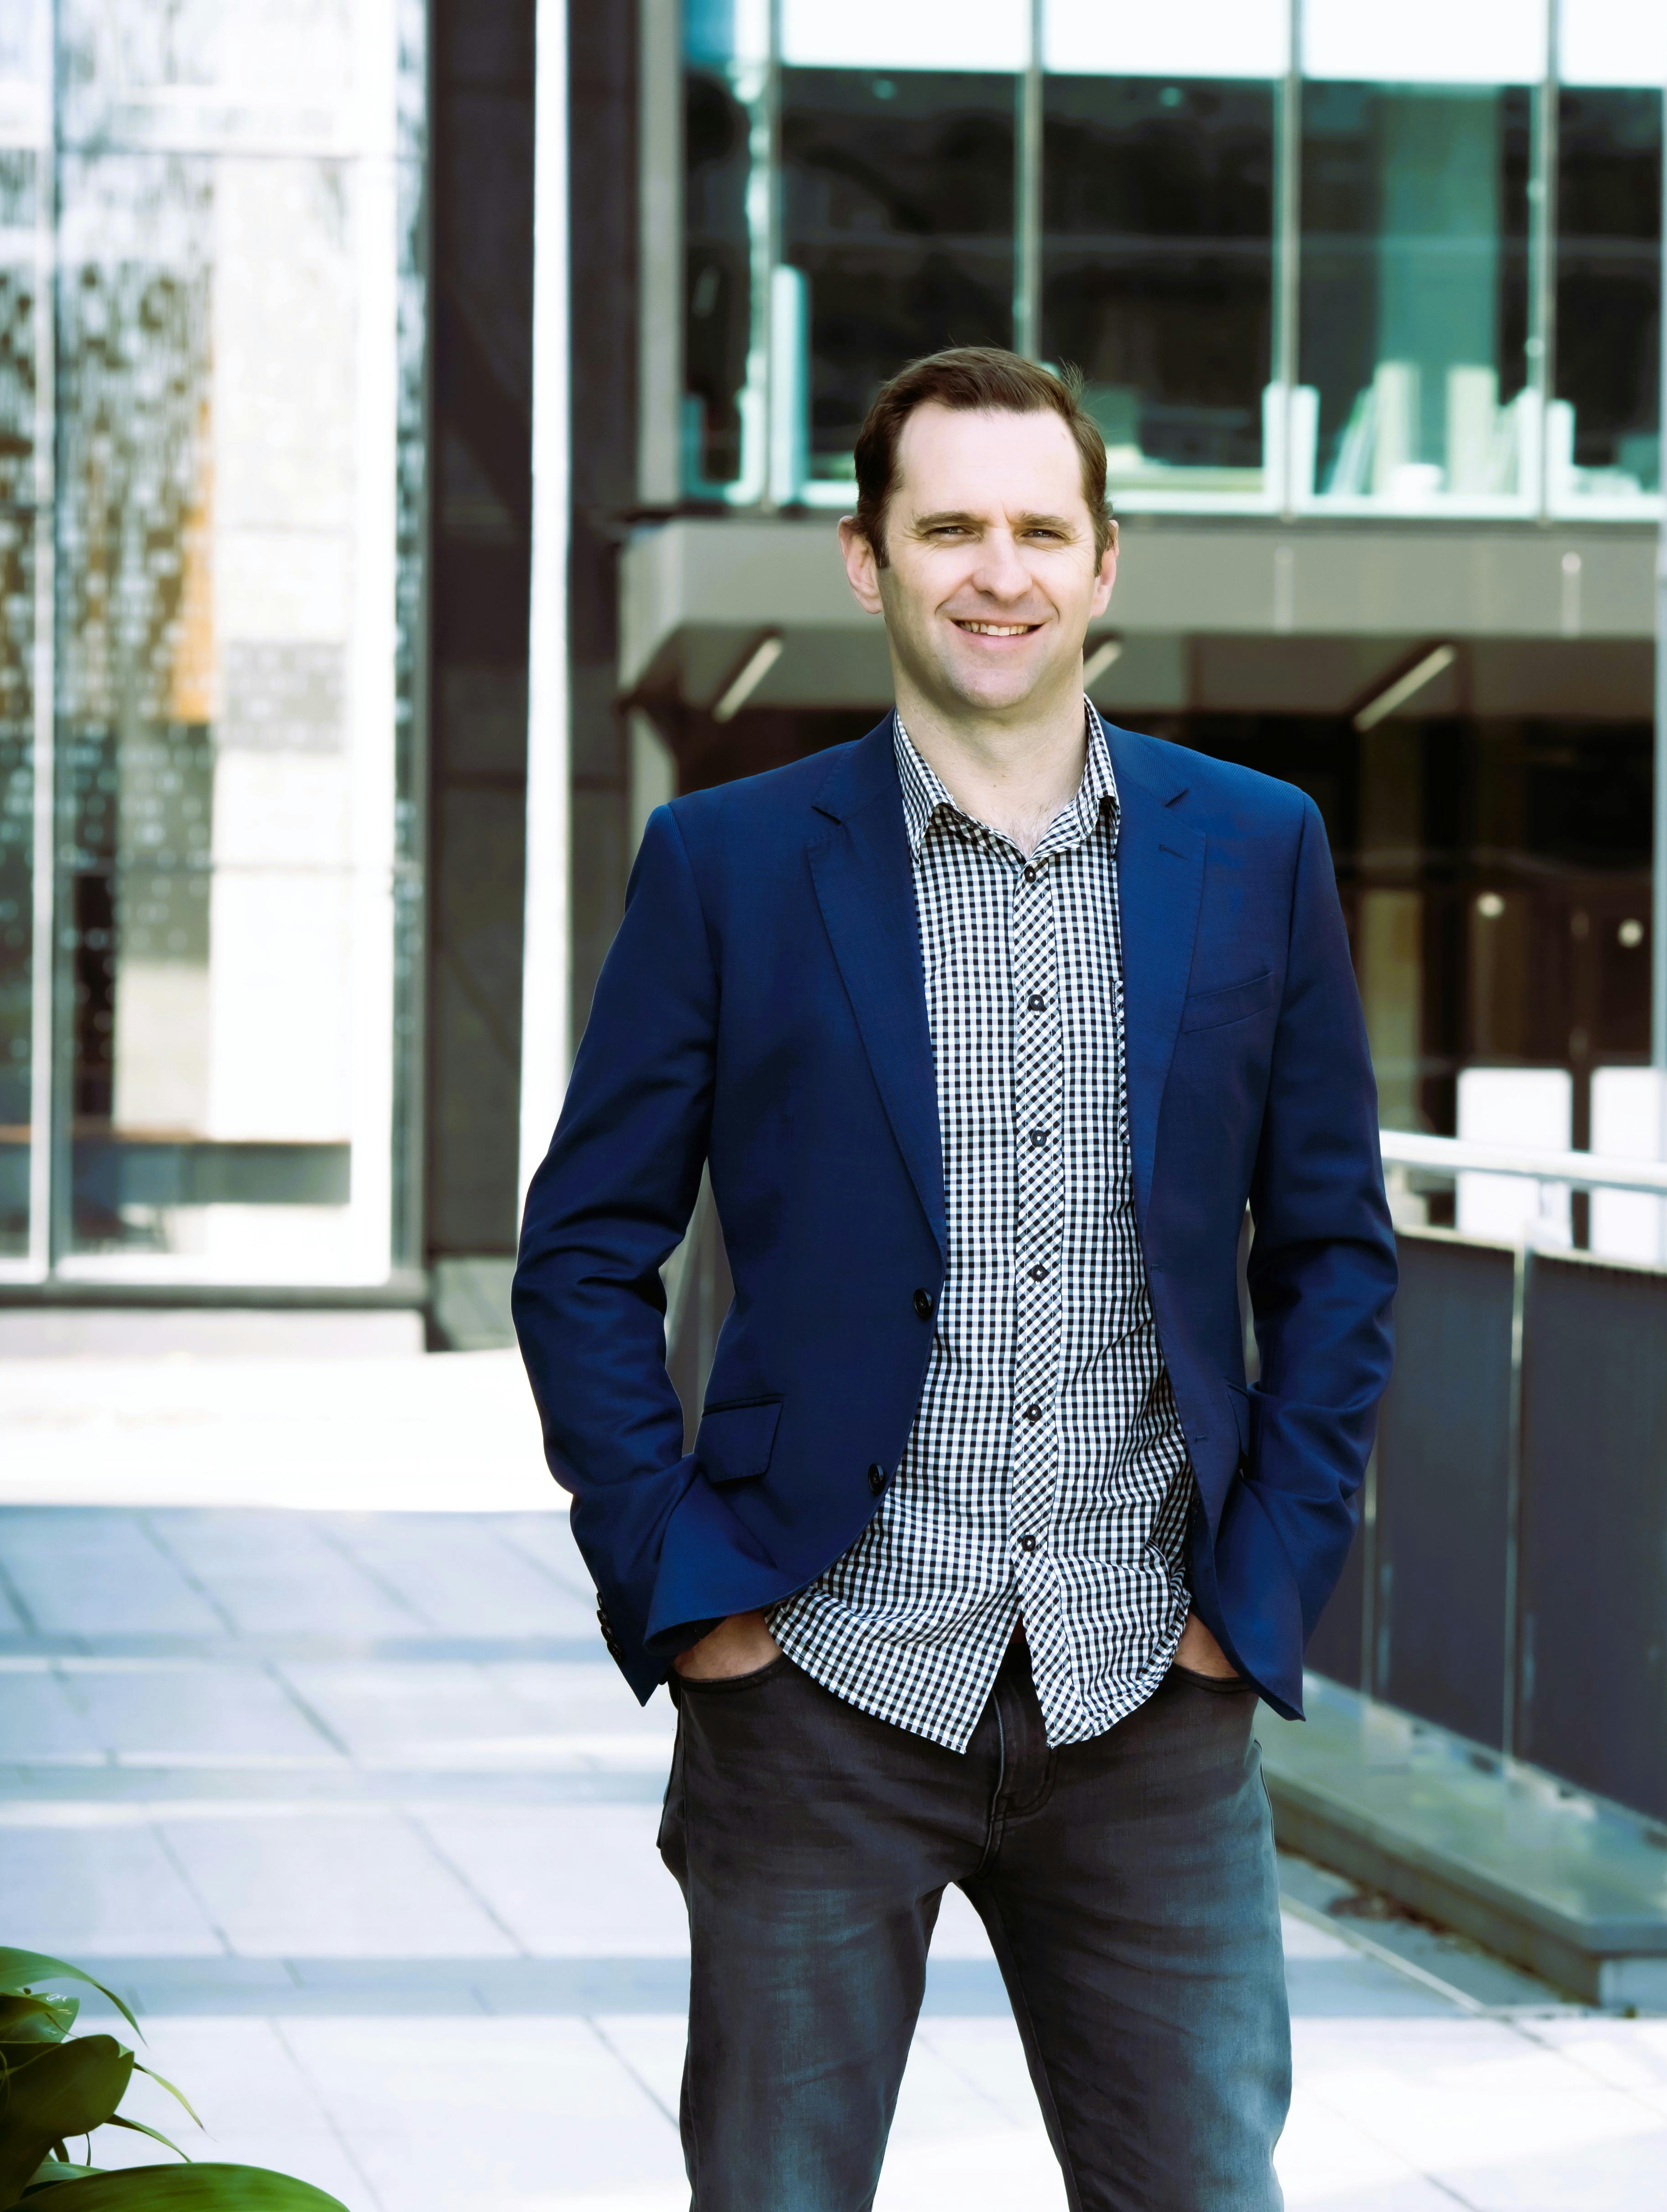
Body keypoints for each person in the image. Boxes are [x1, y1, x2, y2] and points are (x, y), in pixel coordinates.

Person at [512, 346, 1396, 2212]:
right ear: (868, 560)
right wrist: (683, 1587)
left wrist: (1258, 1589)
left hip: (1148, 1688)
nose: (1000, 573)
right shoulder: (727, 864)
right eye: (950, 531)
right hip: (817, 1682)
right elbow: (585, 1249)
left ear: (1104, 562)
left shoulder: (1257, 849)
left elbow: (1335, 1254)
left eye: (1041, 532)